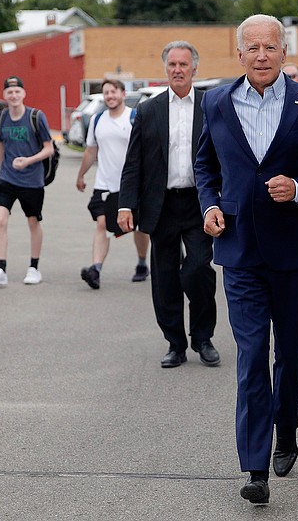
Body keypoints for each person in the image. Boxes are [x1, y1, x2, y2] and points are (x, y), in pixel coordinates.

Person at [194, 14, 298, 504]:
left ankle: (288, 429)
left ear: (284, 52)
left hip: (294, 250)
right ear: (239, 54)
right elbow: (205, 165)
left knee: (290, 353)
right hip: (239, 250)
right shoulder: (216, 101)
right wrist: (210, 205)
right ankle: (255, 467)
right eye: (252, 47)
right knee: (251, 356)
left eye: (270, 47)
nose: (261, 55)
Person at [118, 41, 220, 369]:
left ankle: (203, 338)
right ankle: (175, 343)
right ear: (166, 68)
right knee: (164, 277)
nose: (178, 69)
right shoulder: (148, 110)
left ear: (195, 69)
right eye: (172, 64)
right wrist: (125, 205)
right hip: (160, 205)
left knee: (198, 268)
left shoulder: (212, 106)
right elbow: (134, 162)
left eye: (183, 64)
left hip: (199, 203)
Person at [76, 79, 150, 289]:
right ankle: (96, 270)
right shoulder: (98, 120)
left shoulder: (134, 117)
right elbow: (91, 150)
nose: (110, 96)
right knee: (102, 224)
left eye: (113, 92)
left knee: (137, 227)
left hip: (132, 184)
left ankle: (142, 263)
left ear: (123, 94)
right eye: (106, 93)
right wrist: (81, 175)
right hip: (105, 184)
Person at [0, 76, 54, 287]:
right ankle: (0, 270)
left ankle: (34, 268)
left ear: (23, 94)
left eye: (17, 92)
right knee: (0, 220)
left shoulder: (36, 117)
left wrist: (27, 161)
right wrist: (2, 169)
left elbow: (49, 148)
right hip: (7, 179)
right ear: (4, 95)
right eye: (9, 92)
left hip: (32, 180)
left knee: (33, 221)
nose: (13, 96)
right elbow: (1, 145)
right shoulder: (0, 118)